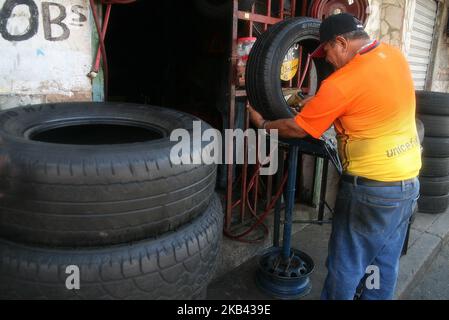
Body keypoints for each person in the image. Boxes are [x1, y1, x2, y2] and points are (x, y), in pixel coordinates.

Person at [248, 13, 421, 300]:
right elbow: (368, 97)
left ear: (341, 42)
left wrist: (263, 124)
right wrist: (322, 103)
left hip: (371, 191)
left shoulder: (342, 83)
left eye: (326, 50)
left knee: (346, 266)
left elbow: (297, 128)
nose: (325, 59)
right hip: (407, 185)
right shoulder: (393, 56)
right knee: (381, 264)